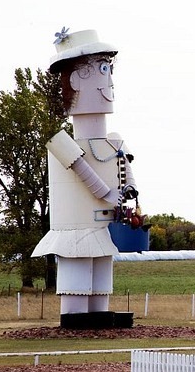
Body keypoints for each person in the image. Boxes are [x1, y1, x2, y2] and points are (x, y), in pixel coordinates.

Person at [32, 28, 145, 329]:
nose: (108, 81)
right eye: (101, 69)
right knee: (77, 268)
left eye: (108, 70)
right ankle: (75, 317)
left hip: (105, 224)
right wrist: (107, 193)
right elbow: (84, 172)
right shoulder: (62, 143)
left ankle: (99, 315)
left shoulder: (115, 140)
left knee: (101, 271)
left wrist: (128, 187)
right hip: (76, 225)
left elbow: (124, 165)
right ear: (72, 80)